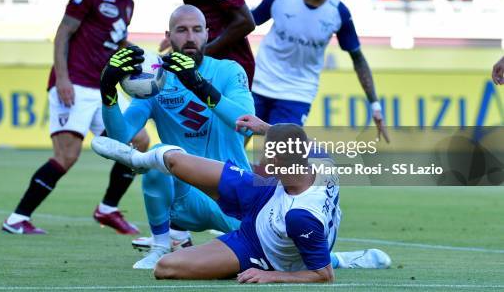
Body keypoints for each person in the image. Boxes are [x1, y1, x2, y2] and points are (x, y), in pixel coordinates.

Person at [91, 117, 391, 283]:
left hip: (260, 248)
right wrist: (265, 129)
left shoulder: (301, 217)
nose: (261, 163)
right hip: (266, 193)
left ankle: (341, 258)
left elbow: (323, 277)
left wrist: (271, 277)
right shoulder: (320, 160)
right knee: (175, 163)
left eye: (268, 160)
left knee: (166, 268)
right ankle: (138, 159)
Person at [2, 0, 150, 235]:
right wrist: (62, 78)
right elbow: (63, 33)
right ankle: (17, 219)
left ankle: (107, 209)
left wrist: (149, 58)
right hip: (74, 84)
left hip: (101, 89)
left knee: (138, 142)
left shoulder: (128, 4)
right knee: (67, 156)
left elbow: (116, 41)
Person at [97, 4, 255, 268]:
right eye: (181, 30)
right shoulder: (156, 81)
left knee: (273, 253)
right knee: (158, 154)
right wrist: (108, 92)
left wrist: (198, 84)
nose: (190, 37)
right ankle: (161, 246)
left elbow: (246, 124)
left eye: (196, 30)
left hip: (233, 193)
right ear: (168, 36)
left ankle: (340, 258)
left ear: (207, 33)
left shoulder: (230, 70)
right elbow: (120, 137)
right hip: (186, 200)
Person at [251, 0, 389, 142]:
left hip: (298, 93)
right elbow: (245, 25)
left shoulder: (338, 12)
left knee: (278, 156)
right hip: (258, 82)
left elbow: (358, 59)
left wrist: (375, 105)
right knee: (234, 148)